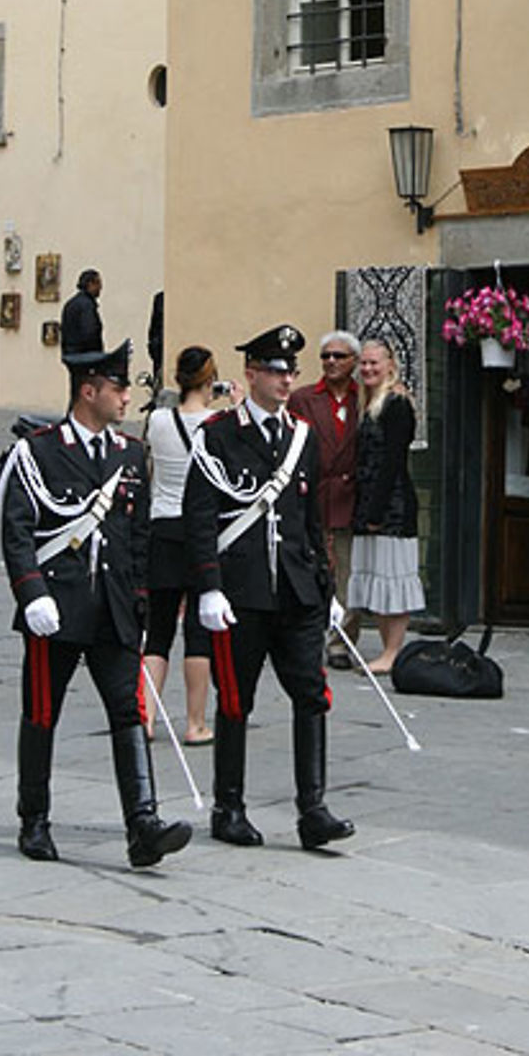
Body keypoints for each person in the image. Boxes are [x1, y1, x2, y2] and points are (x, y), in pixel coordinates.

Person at [0, 339, 191, 869]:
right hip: (56, 608)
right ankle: (34, 820)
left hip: (113, 608)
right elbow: (17, 532)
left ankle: (143, 825)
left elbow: (138, 536)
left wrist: (144, 604)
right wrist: (32, 592)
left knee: (129, 712)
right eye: (118, 387)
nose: (127, 396)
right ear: (89, 391)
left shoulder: (128, 454)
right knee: (41, 713)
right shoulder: (38, 451)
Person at [184, 323, 354, 852]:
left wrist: (326, 591)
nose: (286, 380)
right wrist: (209, 587)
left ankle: (313, 809)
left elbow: (307, 519)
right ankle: (228, 806)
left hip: (296, 591)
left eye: (291, 372)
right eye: (276, 370)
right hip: (242, 591)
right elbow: (200, 516)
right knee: (236, 702)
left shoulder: (300, 437)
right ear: (251, 374)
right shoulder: (218, 434)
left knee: (312, 695)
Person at [144, 345, 243, 745]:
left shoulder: (157, 420)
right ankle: (195, 722)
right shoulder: (221, 423)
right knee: (200, 633)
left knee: (158, 631)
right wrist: (238, 408)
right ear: (210, 379)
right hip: (202, 531)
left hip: (161, 528)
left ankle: (146, 718)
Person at [348, 339, 425, 674]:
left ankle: (393, 650)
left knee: (393, 578)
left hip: (392, 505)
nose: (367, 369)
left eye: (374, 363)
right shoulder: (370, 403)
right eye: (363, 363)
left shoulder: (397, 403)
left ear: (390, 364)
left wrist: (377, 512)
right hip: (370, 502)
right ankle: (385, 649)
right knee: (376, 579)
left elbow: (393, 461)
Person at [289, 330, 361, 669]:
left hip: (349, 497)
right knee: (308, 571)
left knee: (347, 574)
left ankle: (341, 642)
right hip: (312, 497)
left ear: (354, 362)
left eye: (339, 356)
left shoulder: (365, 397)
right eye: (326, 356)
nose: (331, 362)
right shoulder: (304, 398)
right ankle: (301, 635)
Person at [60, 269, 104, 359]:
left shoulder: (70, 304)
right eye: (98, 283)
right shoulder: (87, 305)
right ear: (90, 284)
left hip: (71, 356)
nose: (100, 287)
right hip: (85, 358)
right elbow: (90, 332)